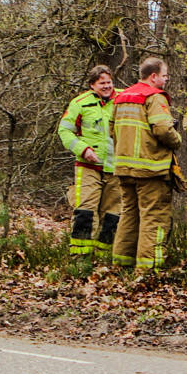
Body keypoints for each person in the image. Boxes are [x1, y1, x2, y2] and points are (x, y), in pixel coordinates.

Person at [110, 57, 182, 274]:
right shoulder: (154, 98)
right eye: (165, 75)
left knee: (129, 215)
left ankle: (122, 265)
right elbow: (163, 130)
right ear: (153, 76)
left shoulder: (121, 97)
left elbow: (112, 129)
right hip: (151, 170)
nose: (167, 79)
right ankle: (148, 270)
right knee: (154, 217)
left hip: (124, 168)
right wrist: (177, 139)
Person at [57, 65, 119, 259]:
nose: (107, 86)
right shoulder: (80, 103)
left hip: (115, 168)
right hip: (88, 167)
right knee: (85, 211)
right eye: (102, 83)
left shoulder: (124, 99)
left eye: (109, 82)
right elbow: (64, 131)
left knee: (113, 215)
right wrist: (83, 149)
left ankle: (104, 258)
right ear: (92, 85)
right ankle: (80, 258)